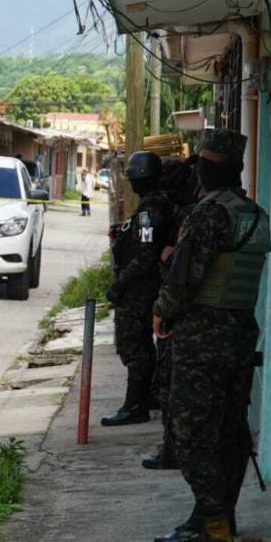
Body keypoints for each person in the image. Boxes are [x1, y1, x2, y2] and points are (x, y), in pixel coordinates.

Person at [152, 129, 271, 542]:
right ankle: (210, 521)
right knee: (227, 430)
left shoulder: (209, 214)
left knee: (189, 431)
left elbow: (186, 276)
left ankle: (218, 538)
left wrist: (162, 311)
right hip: (239, 334)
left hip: (203, 336)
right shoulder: (253, 214)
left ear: (208, 166)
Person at [102, 151, 172, 426]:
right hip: (144, 287)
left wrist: (121, 285)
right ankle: (148, 395)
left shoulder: (149, 210)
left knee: (134, 346)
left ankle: (135, 405)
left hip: (139, 290)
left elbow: (146, 253)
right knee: (141, 345)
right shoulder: (154, 206)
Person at [142, 157, 199, 470]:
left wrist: (162, 311)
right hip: (196, 318)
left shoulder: (194, 216)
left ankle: (174, 451)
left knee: (171, 387)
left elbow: (180, 271)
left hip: (184, 318)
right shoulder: (187, 212)